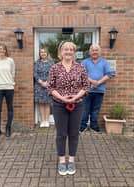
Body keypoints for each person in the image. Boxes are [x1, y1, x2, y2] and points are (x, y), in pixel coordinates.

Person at [47, 41, 89, 176]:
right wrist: (63, 98)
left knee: (74, 133)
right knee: (61, 134)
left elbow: (86, 86)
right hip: (59, 104)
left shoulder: (80, 67)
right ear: (61, 52)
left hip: (77, 104)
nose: (68, 52)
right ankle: (61, 160)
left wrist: (76, 97)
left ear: (74, 52)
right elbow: (50, 87)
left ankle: (71, 159)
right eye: (66, 49)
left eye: (71, 49)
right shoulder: (55, 68)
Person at [80, 44, 114, 133]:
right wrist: (92, 81)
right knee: (85, 109)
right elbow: (81, 74)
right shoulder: (84, 62)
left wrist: (98, 82)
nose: (94, 52)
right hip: (86, 90)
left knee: (95, 110)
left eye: (96, 50)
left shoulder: (104, 62)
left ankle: (93, 126)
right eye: (93, 50)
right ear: (90, 52)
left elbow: (109, 74)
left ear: (99, 51)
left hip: (99, 91)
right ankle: (82, 126)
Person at [0, 44, 15, 138]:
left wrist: (10, 81)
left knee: (10, 108)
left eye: (3, 49)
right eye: (0, 49)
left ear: (5, 50)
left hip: (9, 87)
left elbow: (13, 72)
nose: (2, 50)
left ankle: (8, 128)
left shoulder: (10, 60)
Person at [34, 48, 54, 127]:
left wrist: (48, 82)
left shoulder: (51, 63)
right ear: (40, 54)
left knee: (47, 104)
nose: (43, 53)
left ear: (47, 53)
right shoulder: (37, 63)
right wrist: (41, 82)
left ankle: (47, 120)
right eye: (41, 52)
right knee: (41, 104)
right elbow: (35, 74)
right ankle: (42, 121)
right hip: (39, 86)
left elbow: (53, 73)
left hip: (49, 85)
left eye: (44, 52)